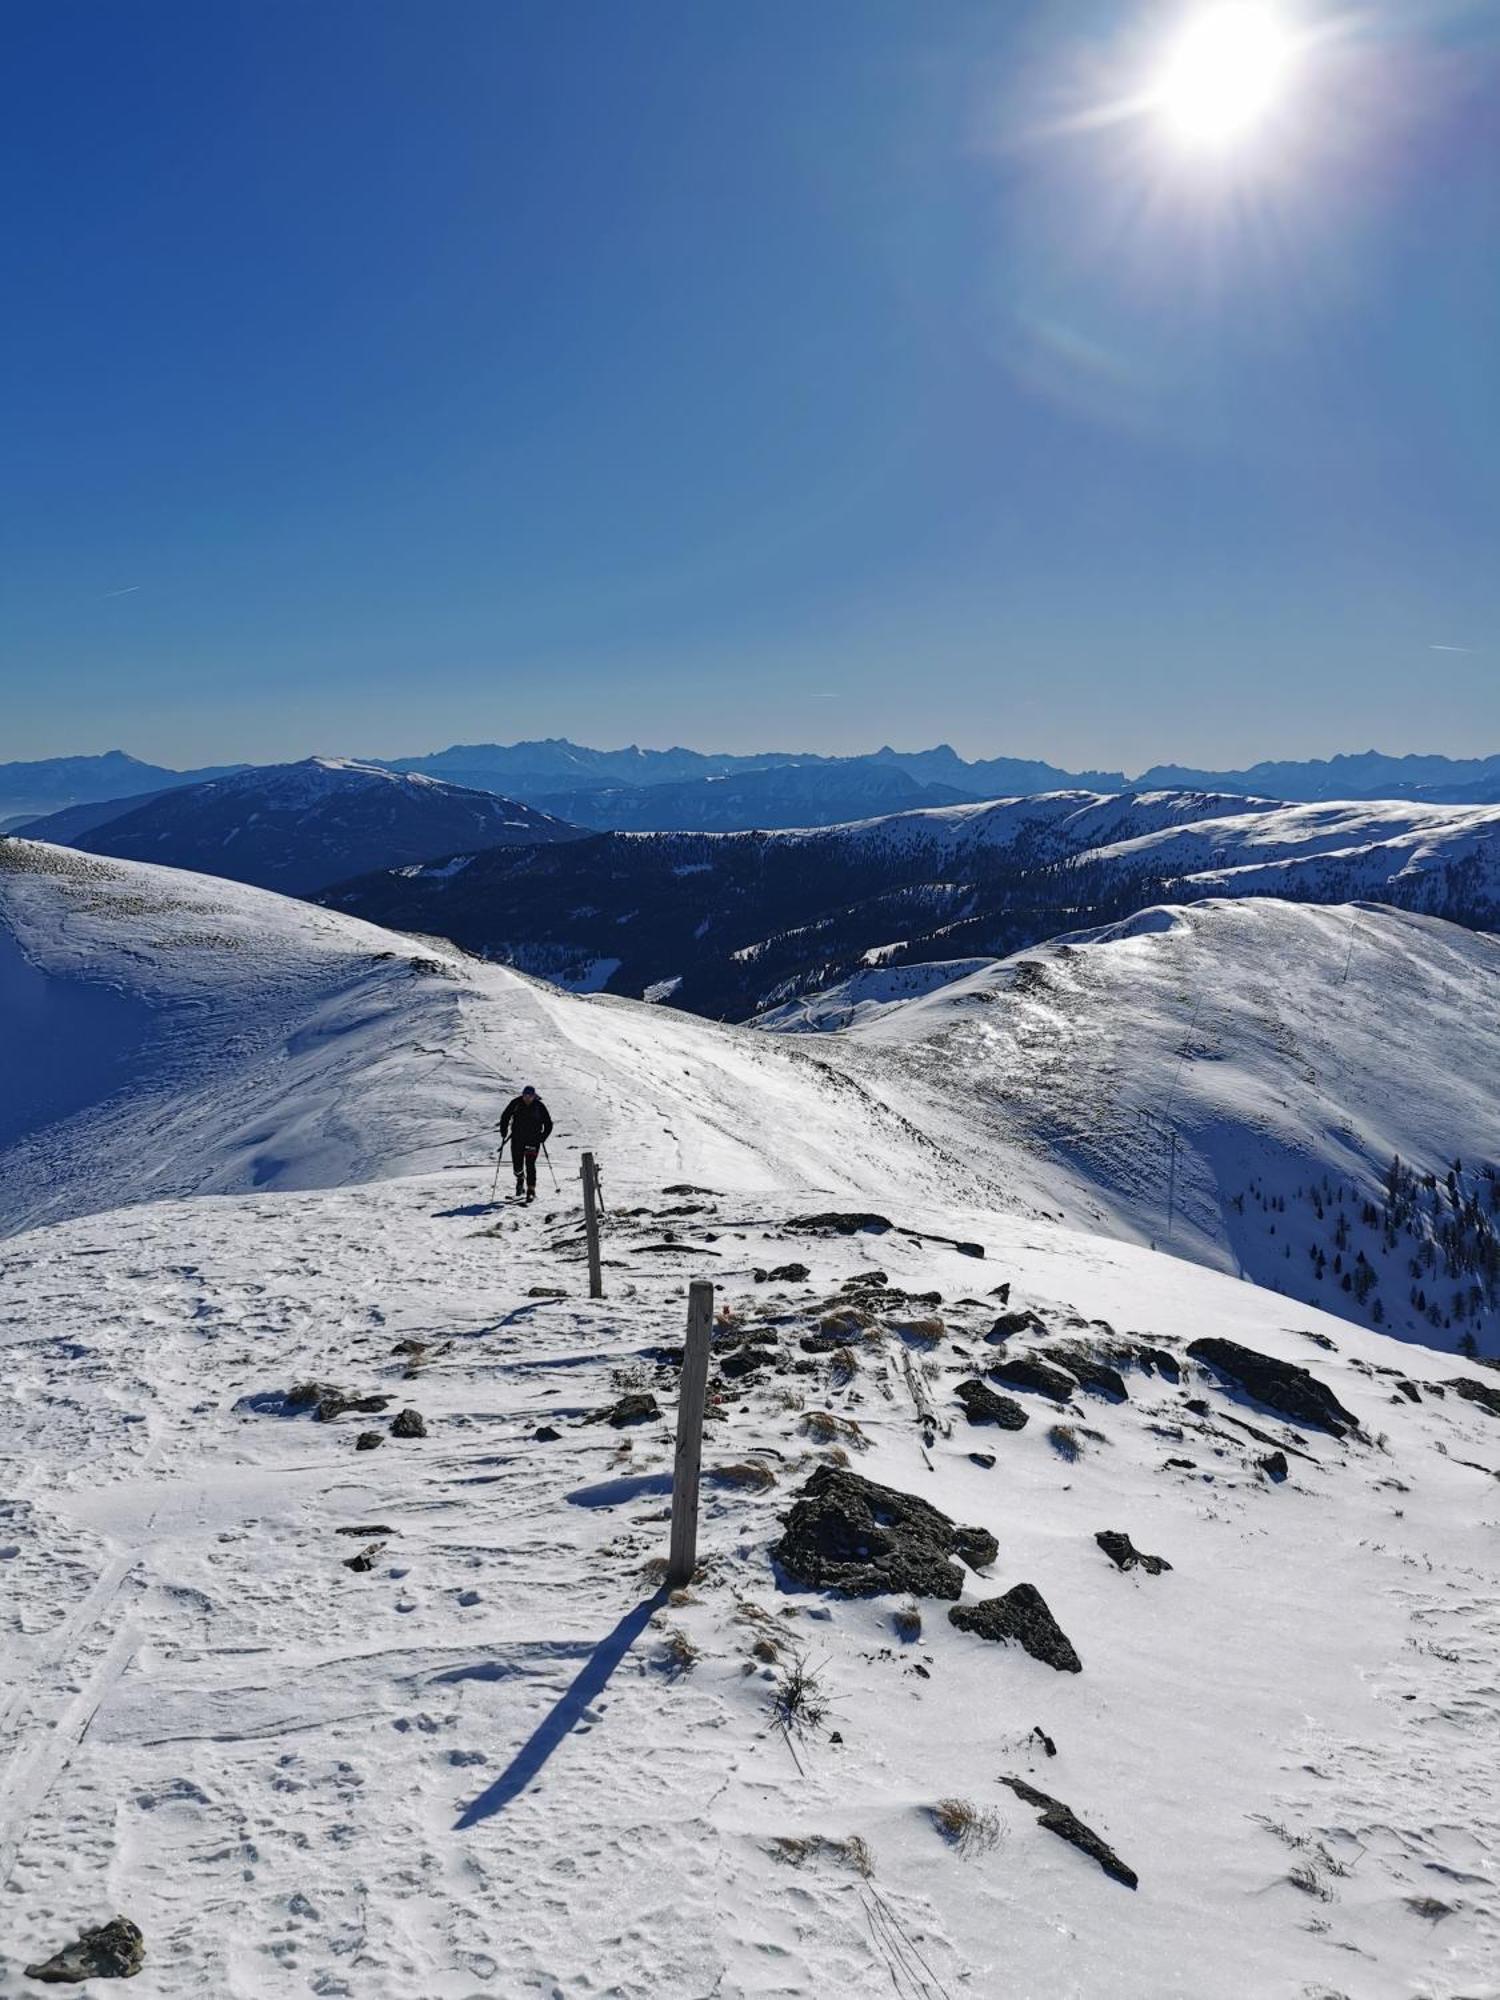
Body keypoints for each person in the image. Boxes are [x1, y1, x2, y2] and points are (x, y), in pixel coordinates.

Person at [499, 1084, 553, 1202]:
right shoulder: (516, 1103)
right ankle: (520, 1179)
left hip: (533, 1139)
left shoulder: (539, 1106)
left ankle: (531, 1190)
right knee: (517, 1165)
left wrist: (543, 1137)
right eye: (525, 1095)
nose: (527, 1098)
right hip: (517, 1138)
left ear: (534, 1096)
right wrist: (504, 1130)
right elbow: (505, 1116)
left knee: (530, 1164)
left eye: (530, 1095)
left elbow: (548, 1123)